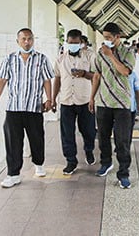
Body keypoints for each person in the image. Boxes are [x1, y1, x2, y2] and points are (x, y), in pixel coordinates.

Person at [0, 28, 54, 189]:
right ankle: (13, 174)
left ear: (33, 40)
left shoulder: (41, 59)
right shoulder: (9, 59)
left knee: (37, 139)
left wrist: (50, 99)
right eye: (24, 39)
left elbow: (47, 80)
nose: (27, 42)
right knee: (13, 142)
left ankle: (39, 164)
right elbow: (2, 80)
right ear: (18, 41)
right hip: (14, 108)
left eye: (30, 39)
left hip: (34, 107)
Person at [89, 22, 135, 189]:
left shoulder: (128, 52)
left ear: (118, 37)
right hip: (103, 101)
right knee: (102, 137)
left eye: (109, 37)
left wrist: (110, 55)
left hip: (122, 102)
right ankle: (106, 162)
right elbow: (96, 76)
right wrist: (92, 97)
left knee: (122, 140)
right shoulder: (99, 54)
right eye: (104, 37)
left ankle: (124, 173)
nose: (106, 40)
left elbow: (125, 71)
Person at [52, 29, 98, 175]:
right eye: (70, 43)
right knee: (67, 133)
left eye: (76, 43)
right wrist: (53, 99)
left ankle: (89, 150)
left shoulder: (89, 56)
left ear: (81, 43)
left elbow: (97, 76)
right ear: (66, 42)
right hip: (66, 101)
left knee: (89, 131)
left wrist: (84, 74)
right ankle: (71, 161)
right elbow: (57, 79)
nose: (73, 45)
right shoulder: (60, 59)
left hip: (85, 100)